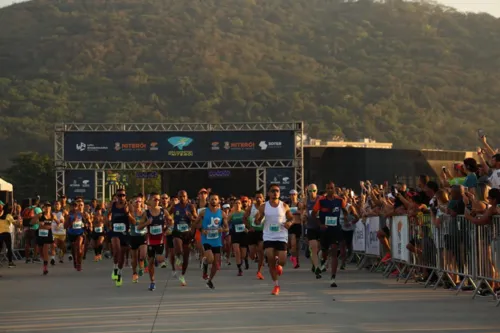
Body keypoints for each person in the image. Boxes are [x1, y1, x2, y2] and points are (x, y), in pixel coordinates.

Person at [254, 184, 294, 295]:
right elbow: (259, 219)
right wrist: (257, 221)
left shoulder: (284, 206)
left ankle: (279, 264)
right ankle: (276, 285)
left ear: (279, 193)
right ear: (269, 193)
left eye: (277, 191)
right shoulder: (264, 206)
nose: (275, 193)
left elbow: (291, 217)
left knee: (282, 261)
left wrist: (289, 222)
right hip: (268, 235)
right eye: (273, 191)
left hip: (281, 236)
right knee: (269, 255)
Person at [313, 182, 346, 288]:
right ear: (326, 190)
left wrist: (346, 217)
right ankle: (323, 261)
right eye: (328, 188)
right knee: (325, 251)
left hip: (336, 229)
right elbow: (313, 214)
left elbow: (345, 211)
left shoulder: (340, 200)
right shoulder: (321, 200)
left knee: (335, 250)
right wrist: (320, 224)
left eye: (332, 188)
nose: (330, 190)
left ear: (334, 189)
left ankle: (333, 277)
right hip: (325, 230)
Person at [138, 192, 171, 291]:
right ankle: (152, 282)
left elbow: (171, 221)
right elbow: (139, 227)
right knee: (151, 262)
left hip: (160, 240)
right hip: (150, 241)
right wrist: (147, 223)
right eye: (155, 199)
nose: (157, 201)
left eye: (158, 199)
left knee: (160, 259)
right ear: (150, 201)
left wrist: (168, 227)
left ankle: (159, 259)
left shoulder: (163, 211)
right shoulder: (146, 213)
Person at [196, 193, 228, 289]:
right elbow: (195, 224)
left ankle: (209, 281)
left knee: (216, 263)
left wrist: (222, 229)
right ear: (208, 201)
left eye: (215, 199)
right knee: (210, 259)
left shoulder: (222, 213)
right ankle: (205, 265)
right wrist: (202, 230)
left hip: (217, 240)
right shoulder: (203, 212)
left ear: (218, 201)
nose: (214, 201)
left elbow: (226, 228)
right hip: (207, 239)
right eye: (212, 199)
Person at [169, 190, 198, 286]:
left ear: (187, 197)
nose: (182, 198)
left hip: (187, 233)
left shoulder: (190, 207)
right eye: (180, 196)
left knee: (186, 258)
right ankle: (178, 257)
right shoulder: (175, 207)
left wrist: (191, 217)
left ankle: (182, 275)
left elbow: (196, 219)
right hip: (177, 231)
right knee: (178, 247)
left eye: (184, 196)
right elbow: (167, 215)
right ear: (178, 197)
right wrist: (169, 221)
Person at [107, 189, 134, 287]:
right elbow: (108, 215)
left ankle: (119, 273)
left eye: (123, 195)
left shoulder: (129, 206)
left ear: (125, 196)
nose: (121, 197)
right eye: (119, 195)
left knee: (121, 256)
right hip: (114, 231)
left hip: (125, 233)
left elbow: (134, 221)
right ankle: (114, 267)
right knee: (117, 250)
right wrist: (108, 223)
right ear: (116, 197)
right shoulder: (113, 205)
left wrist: (128, 214)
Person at [245, 191, 266, 280]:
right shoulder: (251, 208)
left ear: (263, 198)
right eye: (257, 197)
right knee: (252, 255)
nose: (258, 199)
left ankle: (259, 271)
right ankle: (252, 254)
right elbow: (244, 218)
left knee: (261, 251)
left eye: (260, 197)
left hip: (262, 232)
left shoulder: (266, 207)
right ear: (254, 199)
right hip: (252, 232)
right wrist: (249, 227)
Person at [304, 184, 322, 279]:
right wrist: (304, 215)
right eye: (310, 191)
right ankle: (316, 268)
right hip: (311, 227)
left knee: (319, 249)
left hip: (320, 226)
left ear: (317, 190)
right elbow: (303, 210)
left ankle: (315, 263)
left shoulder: (321, 199)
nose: (312, 193)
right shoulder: (306, 200)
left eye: (314, 191)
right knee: (314, 248)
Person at [32, 202, 55, 275]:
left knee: (45, 250)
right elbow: (32, 222)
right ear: (44, 208)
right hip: (40, 234)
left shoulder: (52, 215)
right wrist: (38, 222)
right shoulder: (40, 215)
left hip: (48, 234)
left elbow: (58, 222)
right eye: (46, 206)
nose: (48, 208)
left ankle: (45, 268)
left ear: (51, 208)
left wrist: (59, 223)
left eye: (49, 206)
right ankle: (45, 260)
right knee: (40, 251)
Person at [130, 197, 147, 283]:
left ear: (141, 203)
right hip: (133, 236)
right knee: (134, 258)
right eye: (136, 202)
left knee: (143, 255)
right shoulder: (131, 213)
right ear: (133, 203)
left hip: (143, 235)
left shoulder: (145, 212)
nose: (137, 203)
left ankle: (141, 266)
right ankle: (134, 273)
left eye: (139, 202)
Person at [228, 198, 247, 276]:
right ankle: (239, 269)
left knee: (243, 254)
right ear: (234, 205)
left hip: (243, 234)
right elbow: (226, 222)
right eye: (236, 203)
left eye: (239, 203)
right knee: (237, 251)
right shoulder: (231, 214)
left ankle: (243, 260)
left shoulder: (244, 213)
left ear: (241, 205)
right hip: (235, 234)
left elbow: (248, 222)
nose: (237, 204)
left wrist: (247, 228)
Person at [287, 189, 303, 269]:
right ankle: (294, 259)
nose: (293, 196)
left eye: (294, 194)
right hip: (291, 225)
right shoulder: (288, 204)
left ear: (297, 195)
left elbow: (302, 213)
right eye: (291, 195)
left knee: (296, 245)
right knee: (292, 243)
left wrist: (298, 211)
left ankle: (296, 260)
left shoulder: (299, 204)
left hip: (298, 225)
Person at [0, 201, 18, 268]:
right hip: (6, 233)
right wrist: (18, 222)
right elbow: (14, 224)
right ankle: (10, 262)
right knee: (9, 248)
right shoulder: (8, 216)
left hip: (0, 234)